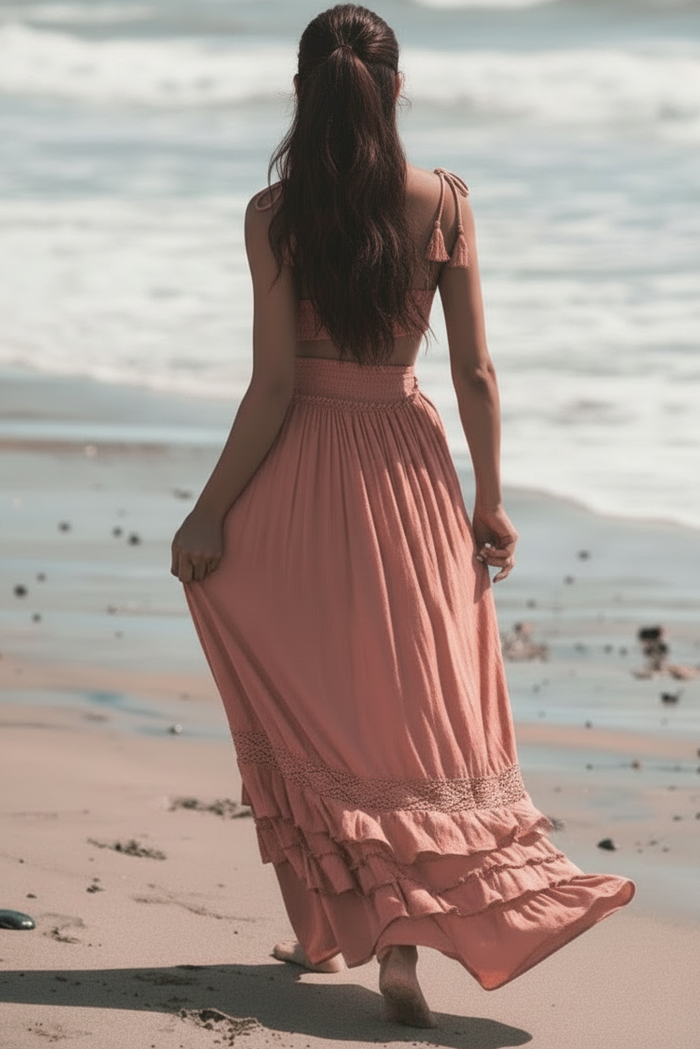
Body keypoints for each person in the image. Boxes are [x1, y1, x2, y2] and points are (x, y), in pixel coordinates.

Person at [171, 3, 635, 1029]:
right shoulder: (444, 204)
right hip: (407, 465)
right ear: (397, 89)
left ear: (303, 92)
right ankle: (394, 941)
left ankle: (330, 923)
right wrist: (490, 497)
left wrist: (208, 515)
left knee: (311, 702)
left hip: (300, 476)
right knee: (409, 709)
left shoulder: (275, 213)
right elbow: (472, 369)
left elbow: (275, 387)